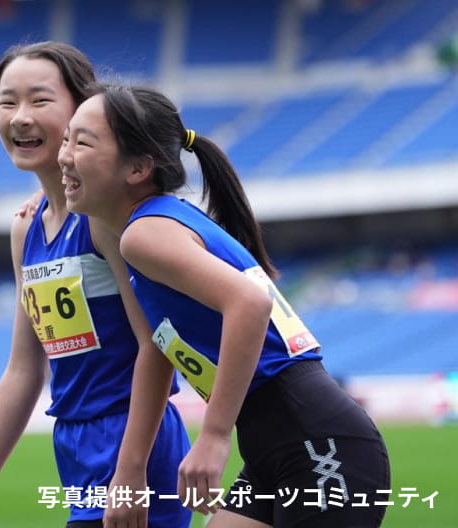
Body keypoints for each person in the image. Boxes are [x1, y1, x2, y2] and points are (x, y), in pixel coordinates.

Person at [58, 83, 391, 528]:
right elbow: (158, 350)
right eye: (66, 139)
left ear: (138, 167)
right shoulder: (154, 228)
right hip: (280, 446)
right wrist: (130, 469)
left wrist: (213, 437)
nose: (64, 156)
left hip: (317, 446)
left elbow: (250, 303)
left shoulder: (145, 234)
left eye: (82, 143)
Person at [0, 44, 191, 528]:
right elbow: (23, 368)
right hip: (74, 446)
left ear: (84, 109)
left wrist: (131, 468)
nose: (20, 117)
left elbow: (154, 345)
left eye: (40, 100)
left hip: (135, 442)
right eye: (7, 102)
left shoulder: (106, 219)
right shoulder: (25, 227)